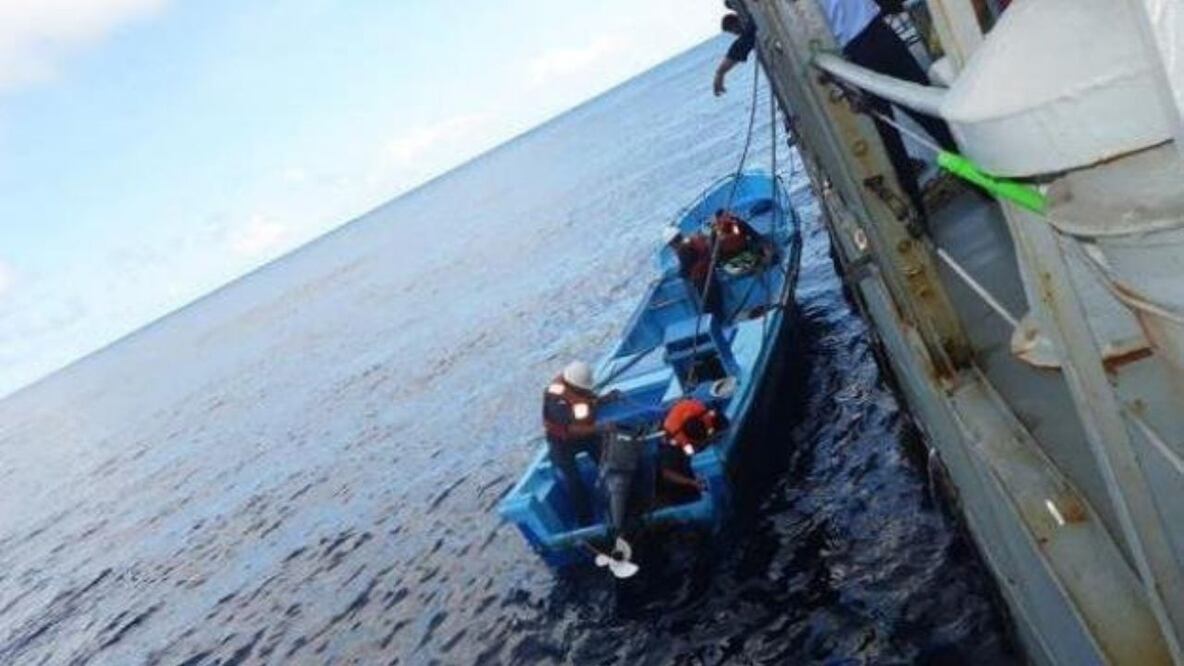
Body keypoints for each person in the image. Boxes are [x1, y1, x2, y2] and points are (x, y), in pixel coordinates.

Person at [715, 3, 958, 228]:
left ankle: (919, 217)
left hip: (857, 54)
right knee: (928, 114)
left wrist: (722, 70)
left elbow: (756, 28)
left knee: (891, 142)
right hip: (879, 35)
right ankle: (972, 175)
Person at [542, 360, 610, 526]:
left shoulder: (579, 388)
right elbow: (570, 429)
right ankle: (585, 519)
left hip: (586, 433)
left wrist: (604, 400)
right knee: (573, 480)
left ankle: (614, 497)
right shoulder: (556, 398)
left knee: (607, 462)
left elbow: (587, 403)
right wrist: (599, 428)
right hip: (562, 442)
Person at [657, 398, 729, 502]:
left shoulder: (705, 414)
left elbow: (724, 423)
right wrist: (692, 482)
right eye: (698, 442)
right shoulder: (673, 441)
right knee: (684, 464)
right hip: (683, 464)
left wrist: (717, 436)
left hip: (688, 416)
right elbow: (667, 473)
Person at [663, 225, 721, 314]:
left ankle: (716, 318)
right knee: (717, 301)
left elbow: (685, 270)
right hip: (711, 272)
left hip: (702, 279)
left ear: (673, 242)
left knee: (709, 306)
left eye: (671, 245)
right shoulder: (691, 239)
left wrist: (680, 274)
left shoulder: (683, 250)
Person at [713, 12, 757, 97]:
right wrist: (720, 73)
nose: (734, 33)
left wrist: (720, 73)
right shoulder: (750, 26)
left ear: (737, 22)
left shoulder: (750, 29)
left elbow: (738, 47)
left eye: (732, 30)